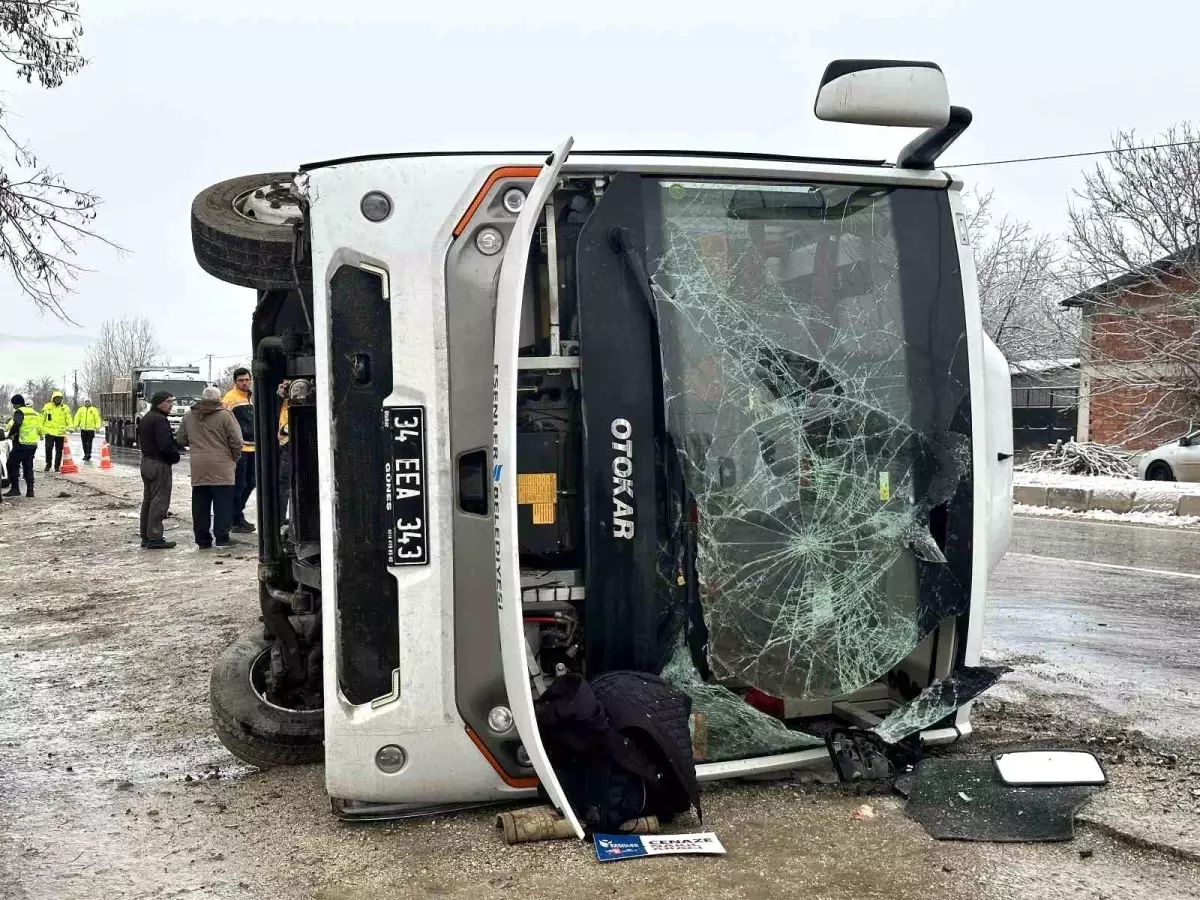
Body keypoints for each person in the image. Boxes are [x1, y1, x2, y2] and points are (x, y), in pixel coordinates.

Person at [176, 386, 243, 549]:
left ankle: (202, 539)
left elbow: (181, 438)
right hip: (222, 465)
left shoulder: (190, 415)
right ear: (219, 399)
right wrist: (235, 456)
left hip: (199, 466)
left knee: (200, 504)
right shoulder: (225, 415)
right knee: (223, 503)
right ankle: (222, 537)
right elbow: (236, 440)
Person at [138, 390, 181, 550]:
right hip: (159, 464)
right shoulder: (160, 420)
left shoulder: (147, 418)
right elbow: (165, 446)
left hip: (146, 462)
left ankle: (146, 535)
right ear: (159, 403)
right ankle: (155, 537)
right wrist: (175, 456)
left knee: (148, 500)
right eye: (168, 402)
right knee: (160, 501)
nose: (171, 405)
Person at [222, 368, 256, 533]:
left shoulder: (251, 397)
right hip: (240, 448)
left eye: (247, 379)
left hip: (254, 446)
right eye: (241, 380)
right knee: (239, 484)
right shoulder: (230, 398)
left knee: (251, 482)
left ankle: (236, 514)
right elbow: (224, 423)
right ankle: (235, 518)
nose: (244, 383)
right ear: (235, 382)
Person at [5, 394, 41, 498]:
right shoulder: (34, 413)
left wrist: (10, 435)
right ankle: (30, 491)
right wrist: (41, 435)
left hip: (21, 443)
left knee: (11, 464)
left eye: (13, 404)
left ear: (16, 404)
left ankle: (15, 489)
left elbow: (16, 424)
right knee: (28, 466)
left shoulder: (19, 412)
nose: (13, 407)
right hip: (32, 444)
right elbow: (38, 427)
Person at [40, 390, 72, 472]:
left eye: (59, 398)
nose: (57, 399)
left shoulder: (65, 408)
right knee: (48, 448)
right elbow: (41, 419)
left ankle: (57, 466)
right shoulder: (47, 406)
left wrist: (70, 427)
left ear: (61, 399)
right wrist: (40, 430)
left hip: (60, 433)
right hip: (49, 432)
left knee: (59, 450)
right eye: (56, 398)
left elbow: (68, 419)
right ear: (53, 398)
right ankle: (48, 464)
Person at [277, 379, 291, 518]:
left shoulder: (293, 401)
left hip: (290, 446)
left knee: (285, 483)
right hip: (284, 446)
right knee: (283, 484)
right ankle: (280, 517)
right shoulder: (283, 401)